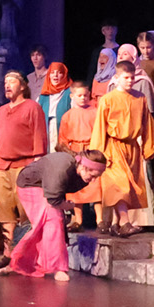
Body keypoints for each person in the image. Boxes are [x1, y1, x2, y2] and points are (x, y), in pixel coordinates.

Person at [0, 149, 107, 280]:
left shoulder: (78, 173)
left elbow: (58, 192)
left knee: (44, 226)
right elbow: (53, 199)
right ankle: (57, 268)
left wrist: (64, 204)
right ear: (84, 167)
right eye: (92, 175)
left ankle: (19, 263)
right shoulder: (62, 168)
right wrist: (66, 206)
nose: (93, 181)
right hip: (30, 185)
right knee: (53, 219)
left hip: (45, 187)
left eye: (96, 177)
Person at [90, 60, 154, 235]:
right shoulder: (108, 99)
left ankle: (116, 224)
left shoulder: (140, 98)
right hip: (113, 147)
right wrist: (98, 154)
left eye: (132, 78)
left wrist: (149, 148)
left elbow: (147, 124)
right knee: (119, 185)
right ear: (117, 78)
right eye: (126, 78)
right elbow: (100, 126)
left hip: (132, 147)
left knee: (129, 187)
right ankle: (125, 222)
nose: (130, 81)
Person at [0, 69, 48, 247]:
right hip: (2, 166)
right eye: (5, 82)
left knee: (26, 211)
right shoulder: (1, 110)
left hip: (24, 166)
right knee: (5, 212)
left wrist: (37, 164)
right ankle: (8, 253)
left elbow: (39, 135)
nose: (7, 85)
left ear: (22, 86)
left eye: (12, 82)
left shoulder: (32, 107)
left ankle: (26, 251)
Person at [57, 81, 99, 232]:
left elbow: (100, 132)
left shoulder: (95, 112)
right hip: (75, 152)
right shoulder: (68, 116)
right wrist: (68, 155)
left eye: (85, 95)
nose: (83, 98)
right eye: (79, 95)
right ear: (72, 96)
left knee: (96, 186)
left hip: (92, 150)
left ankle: (100, 220)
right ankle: (78, 220)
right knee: (77, 189)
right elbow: (62, 138)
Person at [36, 62, 73, 148]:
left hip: (64, 130)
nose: (55, 75)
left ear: (64, 75)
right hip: (46, 129)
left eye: (59, 72)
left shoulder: (70, 93)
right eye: (52, 72)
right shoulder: (43, 96)